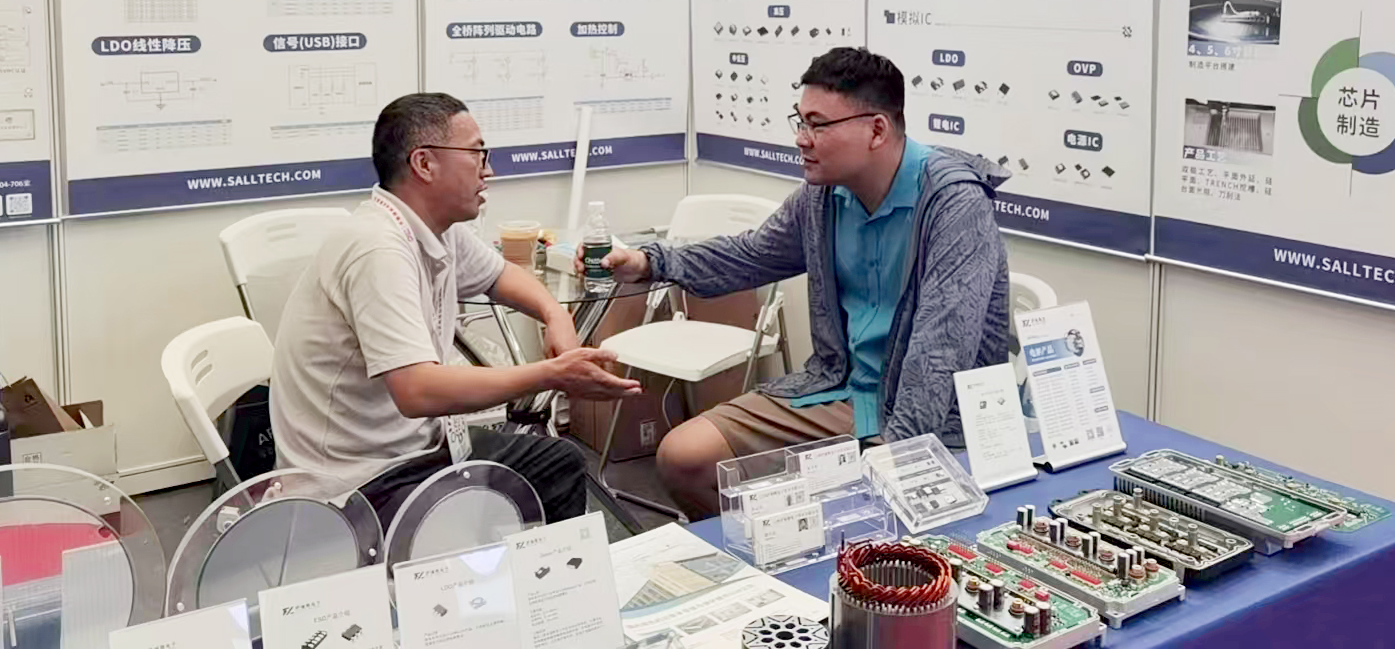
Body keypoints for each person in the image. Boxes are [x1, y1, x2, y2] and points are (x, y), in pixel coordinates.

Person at [582, 47, 1010, 518]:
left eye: (818, 125)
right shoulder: (823, 197)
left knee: (872, 509)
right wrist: (648, 262)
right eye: (800, 121)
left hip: (929, 414)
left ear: (877, 130)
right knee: (685, 458)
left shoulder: (955, 204)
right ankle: (773, 553)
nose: (802, 139)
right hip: (843, 388)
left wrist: (894, 460)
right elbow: (751, 255)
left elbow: (940, 353)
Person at [270, 93, 642, 527]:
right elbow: (418, 392)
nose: (488, 171)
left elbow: (499, 275)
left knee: (557, 462)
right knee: (525, 487)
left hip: (415, 450)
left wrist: (554, 315)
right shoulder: (378, 248)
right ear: (425, 164)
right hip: (356, 486)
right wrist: (551, 374)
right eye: (476, 154)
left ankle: (542, 569)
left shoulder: (431, 228)